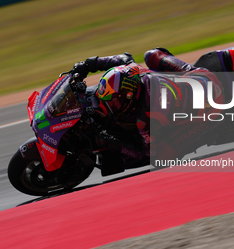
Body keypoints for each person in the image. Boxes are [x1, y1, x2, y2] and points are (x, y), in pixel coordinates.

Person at [71, 48, 224, 175]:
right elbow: (123, 58)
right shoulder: (134, 72)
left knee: (161, 159)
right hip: (200, 76)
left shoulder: (147, 119)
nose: (110, 106)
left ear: (130, 96)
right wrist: (89, 64)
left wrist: (111, 142)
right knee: (151, 55)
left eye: (114, 103)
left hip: (212, 107)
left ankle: (205, 134)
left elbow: (145, 154)